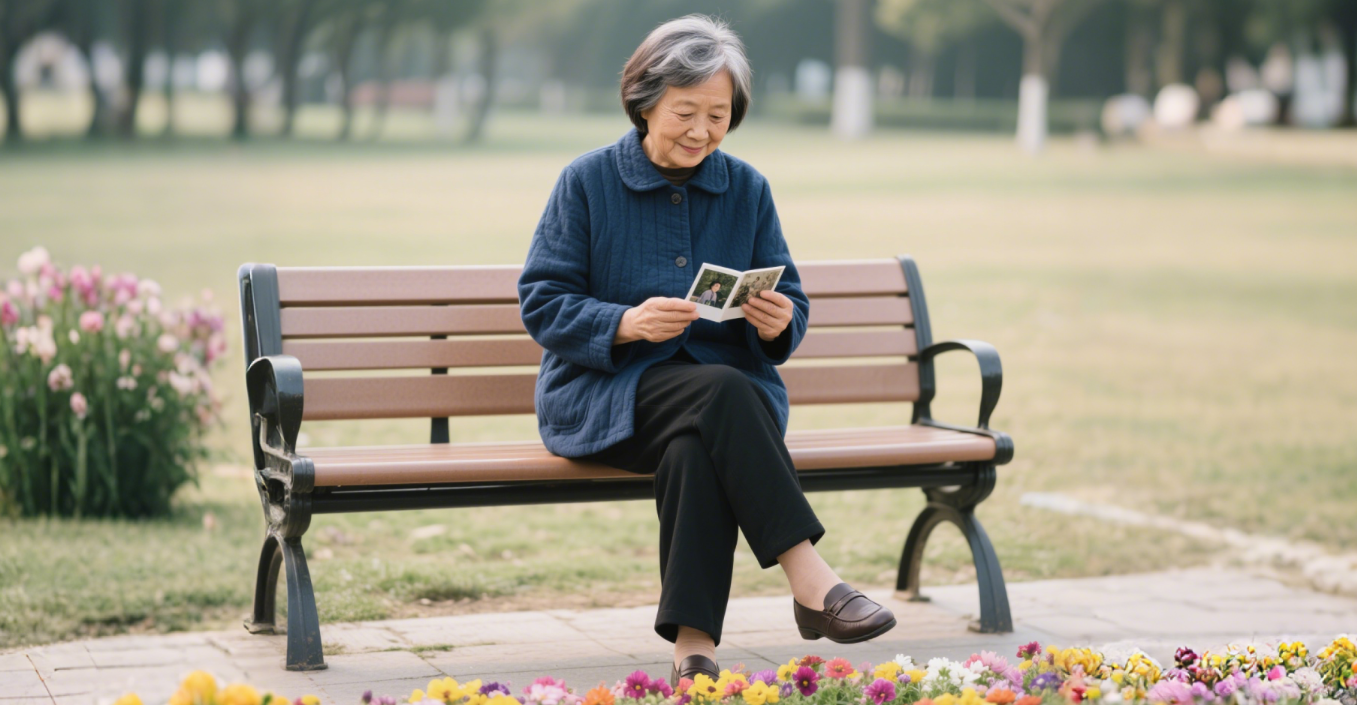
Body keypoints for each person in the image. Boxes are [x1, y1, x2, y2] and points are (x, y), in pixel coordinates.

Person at [517, 14, 895, 688]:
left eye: (717, 114)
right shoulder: (586, 181)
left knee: (698, 440)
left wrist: (778, 319)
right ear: (643, 101)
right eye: (684, 111)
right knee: (721, 390)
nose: (701, 130)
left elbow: (793, 303)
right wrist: (626, 323)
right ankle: (810, 577)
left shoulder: (745, 187)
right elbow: (541, 300)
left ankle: (694, 647)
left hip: (722, 413)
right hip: (607, 400)